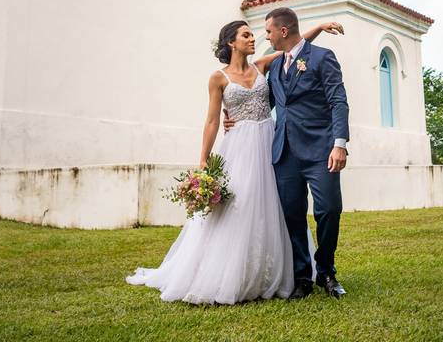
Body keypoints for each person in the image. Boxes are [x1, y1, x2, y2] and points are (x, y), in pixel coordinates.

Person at [125, 19, 343, 304]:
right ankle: (234, 272)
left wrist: (321, 26)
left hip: (270, 142)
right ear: (231, 41)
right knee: (240, 207)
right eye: (247, 35)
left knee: (277, 207)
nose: (253, 39)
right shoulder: (218, 78)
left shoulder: (262, 65)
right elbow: (213, 120)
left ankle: (288, 271)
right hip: (239, 145)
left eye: (255, 34)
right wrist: (203, 159)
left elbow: (296, 46)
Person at [249, 7, 350, 299]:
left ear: (283, 31)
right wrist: (237, 117)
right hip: (285, 153)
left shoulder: (322, 57)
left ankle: (327, 271)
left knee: (329, 210)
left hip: (322, 150)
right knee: (292, 215)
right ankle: (303, 277)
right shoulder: (277, 65)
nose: (266, 37)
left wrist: (339, 143)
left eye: (268, 31)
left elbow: (338, 101)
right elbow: (267, 102)